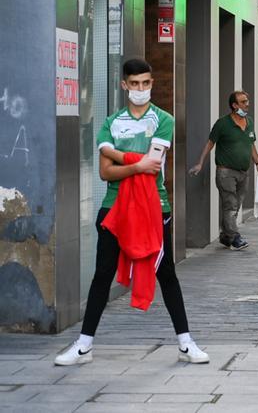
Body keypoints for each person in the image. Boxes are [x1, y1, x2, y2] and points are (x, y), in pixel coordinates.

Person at [56, 58, 208, 366]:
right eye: (135, 84)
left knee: (167, 274)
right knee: (102, 274)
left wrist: (115, 153)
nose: (141, 89)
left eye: (146, 83)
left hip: (155, 207)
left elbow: (151, 166)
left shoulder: (163, 119)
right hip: (114, 208)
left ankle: (185, 342)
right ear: (124, 84)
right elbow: (104, 173)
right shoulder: (111, 121)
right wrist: (134, 163)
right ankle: (84, 346)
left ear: (152, 83)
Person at [189, 90, 258, 250]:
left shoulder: (249, 122)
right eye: (243, 102)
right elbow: (210, 143)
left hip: (243, 173)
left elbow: (250, 144)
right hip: (226, 173)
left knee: (236, 205)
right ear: (234, 105)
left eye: (247, 101)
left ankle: (226, 236)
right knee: (230, 205)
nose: (247, 104)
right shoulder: (222, 123)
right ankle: (236, 238)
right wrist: (200, 163)